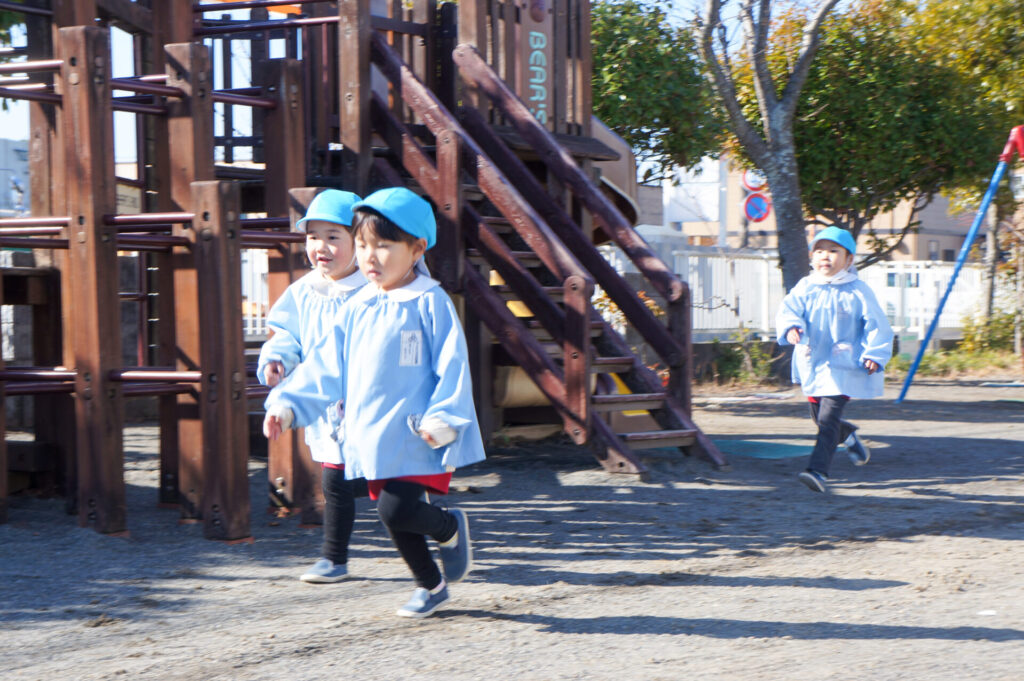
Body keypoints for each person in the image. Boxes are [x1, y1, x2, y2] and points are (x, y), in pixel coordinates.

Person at [263, 186, 486, 618]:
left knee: (395, 508)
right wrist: (287, 404)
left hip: (419, 432)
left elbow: (453, 365)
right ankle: (433, 585)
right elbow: (325, 365)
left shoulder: (430, 302)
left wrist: (443, 418)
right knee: (395, 515)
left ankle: (446, 527)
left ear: (417, 248)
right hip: (375, 435)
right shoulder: (358, 305)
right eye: (363, 245)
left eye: (383, 246)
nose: (370, 257)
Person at [257, 188, 369, 584]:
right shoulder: (304, 291)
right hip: (328, 406)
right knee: (334, 480)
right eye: (312, 236)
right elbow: (287, 334)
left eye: (333, 236)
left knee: (390, 488)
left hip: (375, 402)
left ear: (361, 240)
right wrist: (276, 361)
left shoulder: (376, 288)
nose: (320, 247)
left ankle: (441, 527)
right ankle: (334, 559)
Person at [776, 226, 894, 494]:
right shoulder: (806, 286)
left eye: (833, 251)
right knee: (820, 418)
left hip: (843, 365)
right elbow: (788, 309)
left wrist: (874, 354)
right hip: (813, 362)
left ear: (849, 259)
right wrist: (792, 326)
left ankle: (817, 471)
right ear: (812, 256)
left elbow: (877, 325)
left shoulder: (858, 290)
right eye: (819, 251)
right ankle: (848, 435)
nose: (825, 256)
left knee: (827, 420)